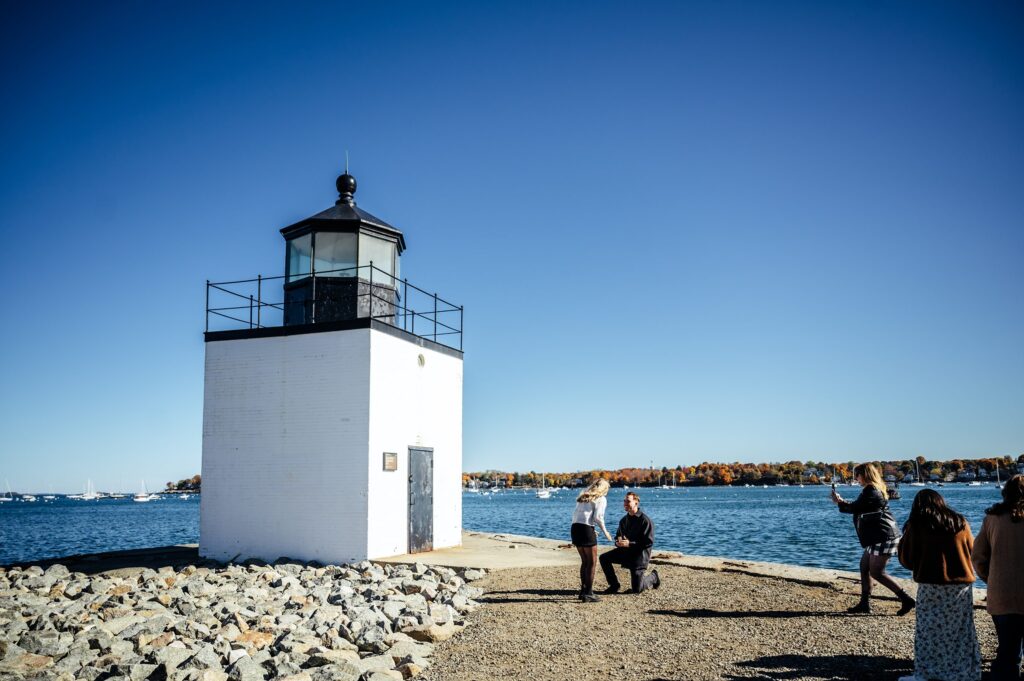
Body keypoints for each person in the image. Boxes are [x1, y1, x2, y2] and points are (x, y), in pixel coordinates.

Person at [897, 489, 980, 681]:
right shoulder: (960, 522)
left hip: (930, 585)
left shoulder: (916, 525)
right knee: (960, 631)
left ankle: (928, 671)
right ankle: (962, 671)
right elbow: (973, 551)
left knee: (929, 631)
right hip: (960, 586)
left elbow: (907, 560)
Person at [831, 462, 915, 614]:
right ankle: (864, 603)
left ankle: (906, 599)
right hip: (878, 535)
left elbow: (855, 508)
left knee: (877, 572)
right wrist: (842, 503)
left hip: (883, 536)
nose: (855, 478)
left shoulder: (871, 491)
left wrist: (840, 502)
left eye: (857, 475)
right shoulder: (872, 489)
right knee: (864, 566)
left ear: (864, 475)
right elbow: (858, 507)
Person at [973, 474, 1024, 681]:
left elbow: (978, 557)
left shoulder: (991, 519)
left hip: (1002, 593)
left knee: (1007, 649)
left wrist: (991, 578)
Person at [599, 491, 660, 594]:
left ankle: (654, 577)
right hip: (626, 553)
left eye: (628, 501)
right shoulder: (624, 520)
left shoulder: (645, 520)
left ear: (636, 502)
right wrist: (618, 543)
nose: (625, 503)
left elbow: (648, 542)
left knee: (637, 590)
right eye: (624, 501)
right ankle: (614, 585)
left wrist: (629, 543)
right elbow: (618, 537)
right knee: (603, 558)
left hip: (639, 557)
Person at [571, 478, 614, 603]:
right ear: (604, 489)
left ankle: (583, 591)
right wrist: (606, 532)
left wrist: (590, 528)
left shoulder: (583, 496)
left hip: (575, 528)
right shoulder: (601, 499)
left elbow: (577, 515)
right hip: (585, 529)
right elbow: (598, 517)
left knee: (585, 561)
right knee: (592, 562)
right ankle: (588, 593)